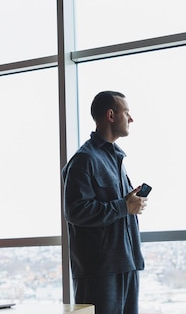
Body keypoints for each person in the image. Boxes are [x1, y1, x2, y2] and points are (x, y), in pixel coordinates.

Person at [62, 91, 148, 314]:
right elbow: (75, 211)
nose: (131, 119)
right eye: (126, 112)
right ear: (111, 115)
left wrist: (131, 204)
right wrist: (123, 206)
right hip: (99, 272)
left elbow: (120, 207)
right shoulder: (84, 159)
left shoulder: (116, 158)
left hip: (126, 264)